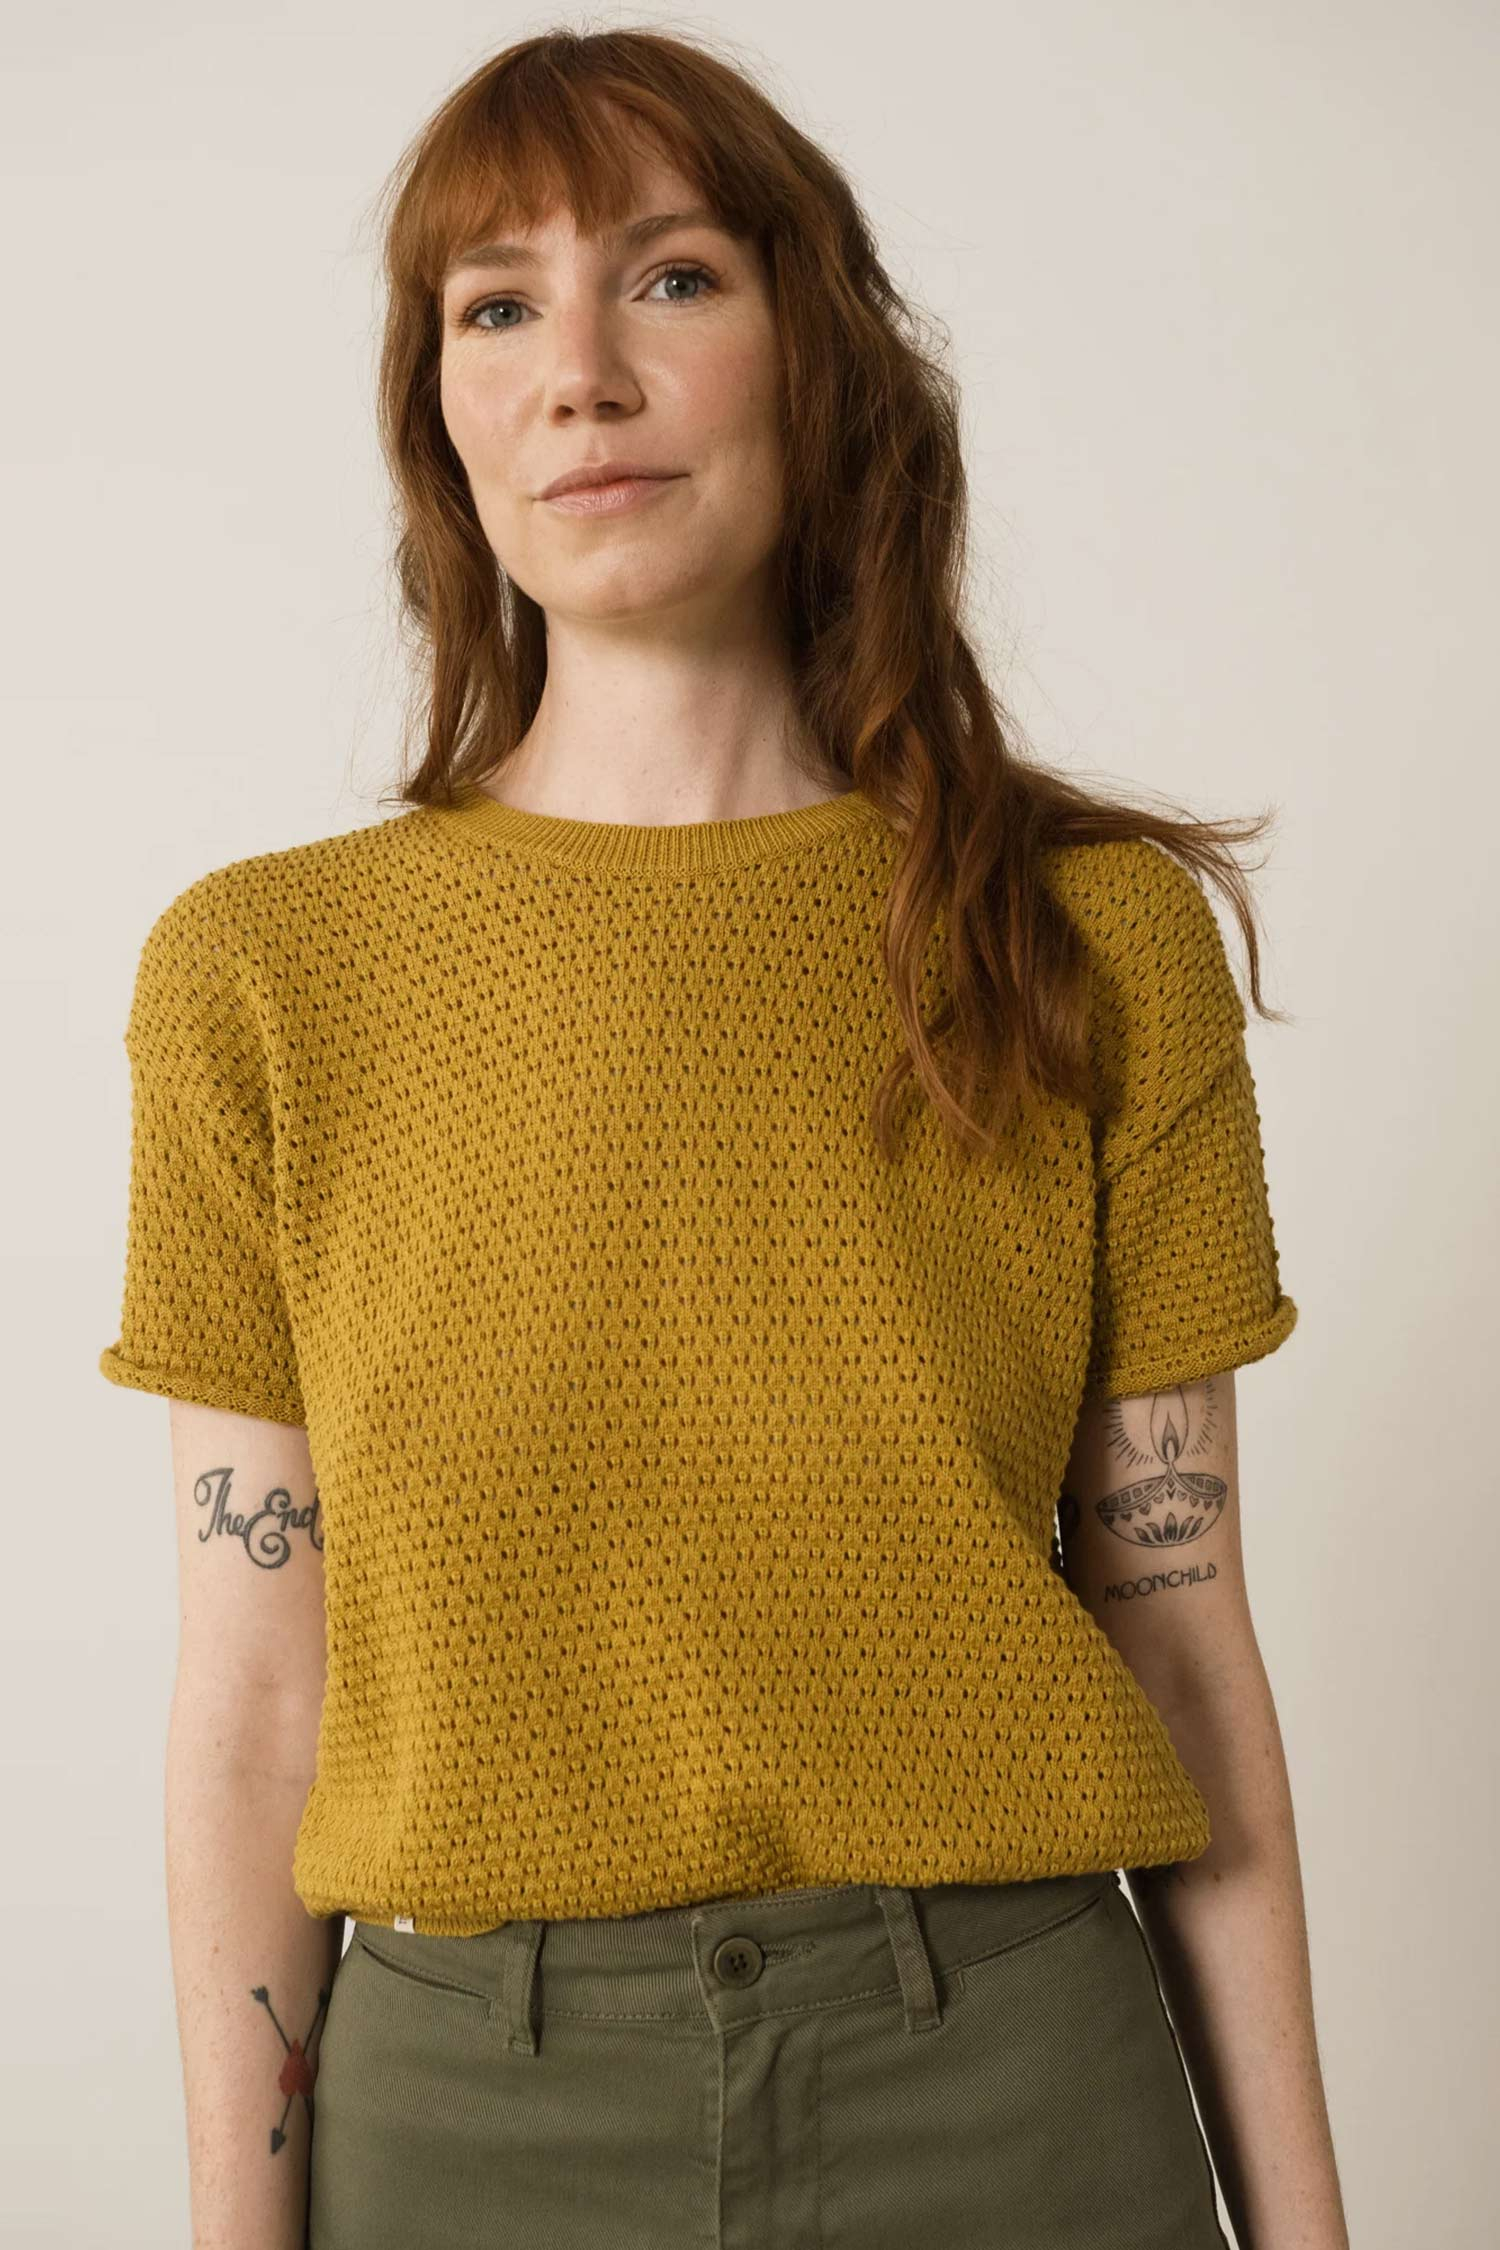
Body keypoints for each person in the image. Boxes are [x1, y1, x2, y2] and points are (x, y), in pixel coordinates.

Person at [97, 25, 1349, 2250]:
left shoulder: (1090, 938)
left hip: (1021, 2094)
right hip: (464, 2125)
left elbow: (1177, 1630)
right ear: (439, 412)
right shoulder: (264, 974)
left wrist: (1310, 2226)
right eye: (497, 306)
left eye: (670, 278)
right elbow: (259, 1693)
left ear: (819, 355)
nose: (580, 374)